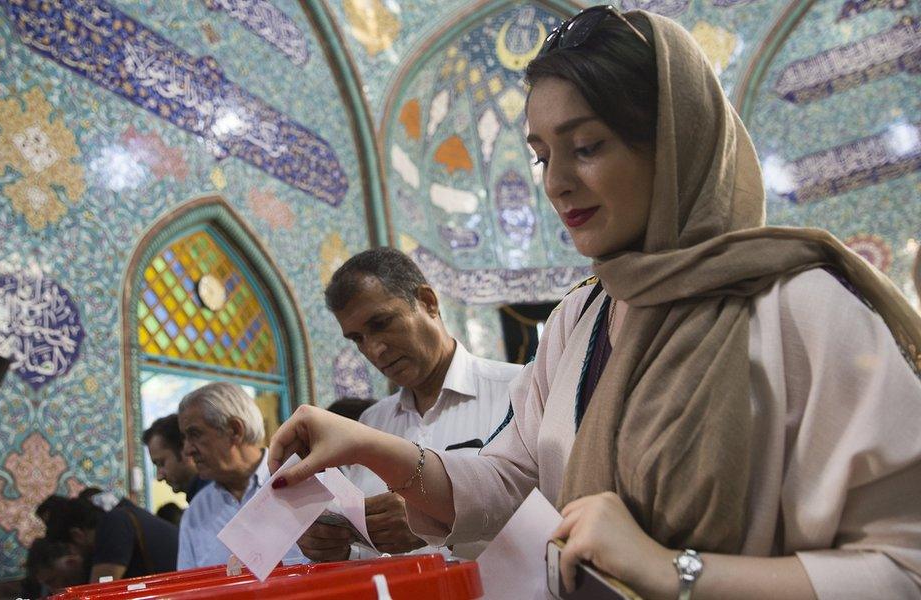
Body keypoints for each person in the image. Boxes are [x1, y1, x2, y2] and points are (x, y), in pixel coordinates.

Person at [268, 7, 921, 599]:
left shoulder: (804, 310)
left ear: (673, 142)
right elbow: (511, 485)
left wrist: (676, 572)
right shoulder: (583, 319)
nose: (555, 183)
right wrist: (374, 450)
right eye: (542, 155)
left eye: (586, 147)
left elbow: (903, 567)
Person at [296, 248, 521, 562]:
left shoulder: (519, 391)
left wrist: (435, 520)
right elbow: (369, 551)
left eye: (381, 323)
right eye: (357, 338)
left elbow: (559, 524)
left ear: (427, 302)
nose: (374, 349)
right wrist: (335, 543)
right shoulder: (370, 424)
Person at [177, 381, 305, 569]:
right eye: (185, 438)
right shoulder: (196, 513)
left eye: (195, 434)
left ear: (235, 430)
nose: (187, 450)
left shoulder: (300, 482)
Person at [43, 495, 178, 583]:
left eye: (71, 549)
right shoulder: (121, 516)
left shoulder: (113, 524)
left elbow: (100, 594)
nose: (75, 556)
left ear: (77, 535)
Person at [142, 414, 209, 502]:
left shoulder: (214, 497)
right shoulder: (201, 499)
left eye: (161, 463)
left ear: (185, 450)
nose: (159, 477)